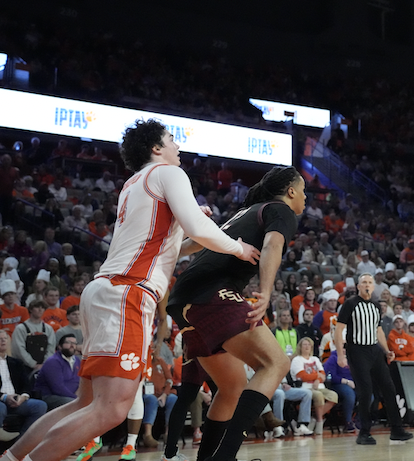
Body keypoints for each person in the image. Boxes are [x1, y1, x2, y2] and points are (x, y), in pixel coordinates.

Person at [4, 119, 260, 461]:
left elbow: (166, 246)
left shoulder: (134, 184)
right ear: (156, 148)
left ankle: (12, 457)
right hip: (128, 293)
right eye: (172, 140)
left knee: (85, 403)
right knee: (112, 409)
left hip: (104, 290)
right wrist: (239, 249)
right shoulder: (169, 173)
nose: (178, 146)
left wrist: (186, 233)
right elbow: (199, 227)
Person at [167, 165, 306, 461]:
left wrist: (169, 252)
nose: (305, 197)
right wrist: (267, 293)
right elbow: (272, 244)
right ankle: (224, 456)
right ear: (291, 191)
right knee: (275, 363)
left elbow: (200, 241)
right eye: (303, 190)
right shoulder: (281, 211)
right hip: (212, 294)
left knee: (231, 387)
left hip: (183, 300)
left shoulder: (245, 213)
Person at [333, 273, 414, 445]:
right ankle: (364, 433)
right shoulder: (349, 304)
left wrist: (386, 351)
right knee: (366, 391)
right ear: (358, 286)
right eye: (364, 282)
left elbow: (378, 331)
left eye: (370, 282)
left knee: (389, 389)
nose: (367, 285)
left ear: (374, 286)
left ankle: (397, 430)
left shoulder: (376, 306)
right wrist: (341, 354)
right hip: (357, 350)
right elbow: (338, 330)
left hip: (374, 350)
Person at [0, 330, 47, 442]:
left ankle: (23, 443)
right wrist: (5, 397)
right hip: (1, 400)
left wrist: (23, 397)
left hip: (17, 400)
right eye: (0, 339)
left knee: (40, 406)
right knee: (0, 407)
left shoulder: (16, 362)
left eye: (5, 339)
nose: (3, 341)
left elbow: (26, 385)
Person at [289, 337, 337, 435]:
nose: (307, 347)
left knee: (333, 395)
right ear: (300, 347)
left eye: (309, 345)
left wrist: (318, 379)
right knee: (318, 395)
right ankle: (319, 421)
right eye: (304, 345)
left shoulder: (315, 359)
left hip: (319, 386)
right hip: (305, 388)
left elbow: (323, 375)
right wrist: (317, 376)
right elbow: (302, 376)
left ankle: (314, 419)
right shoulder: (297, 360)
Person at [33, 333, 80, 409]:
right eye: (68, 343)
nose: (72, 345)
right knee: (73, 404)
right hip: (50, 396)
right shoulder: (53, 362)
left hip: (71, 396)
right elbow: (58, 388)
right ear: (59, 346)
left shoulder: (77, 360)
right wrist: (77, 399)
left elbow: (80, 382)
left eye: (74, 343)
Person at [323, 347, 356, 433]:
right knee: (349, 394)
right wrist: (347, 382)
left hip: (353, 383)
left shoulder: (352, 357)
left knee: (369, 395)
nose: (344, 348)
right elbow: (331, 376)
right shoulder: (333, 358)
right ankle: (347, 422)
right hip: (337, 384)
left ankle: (358, 419)